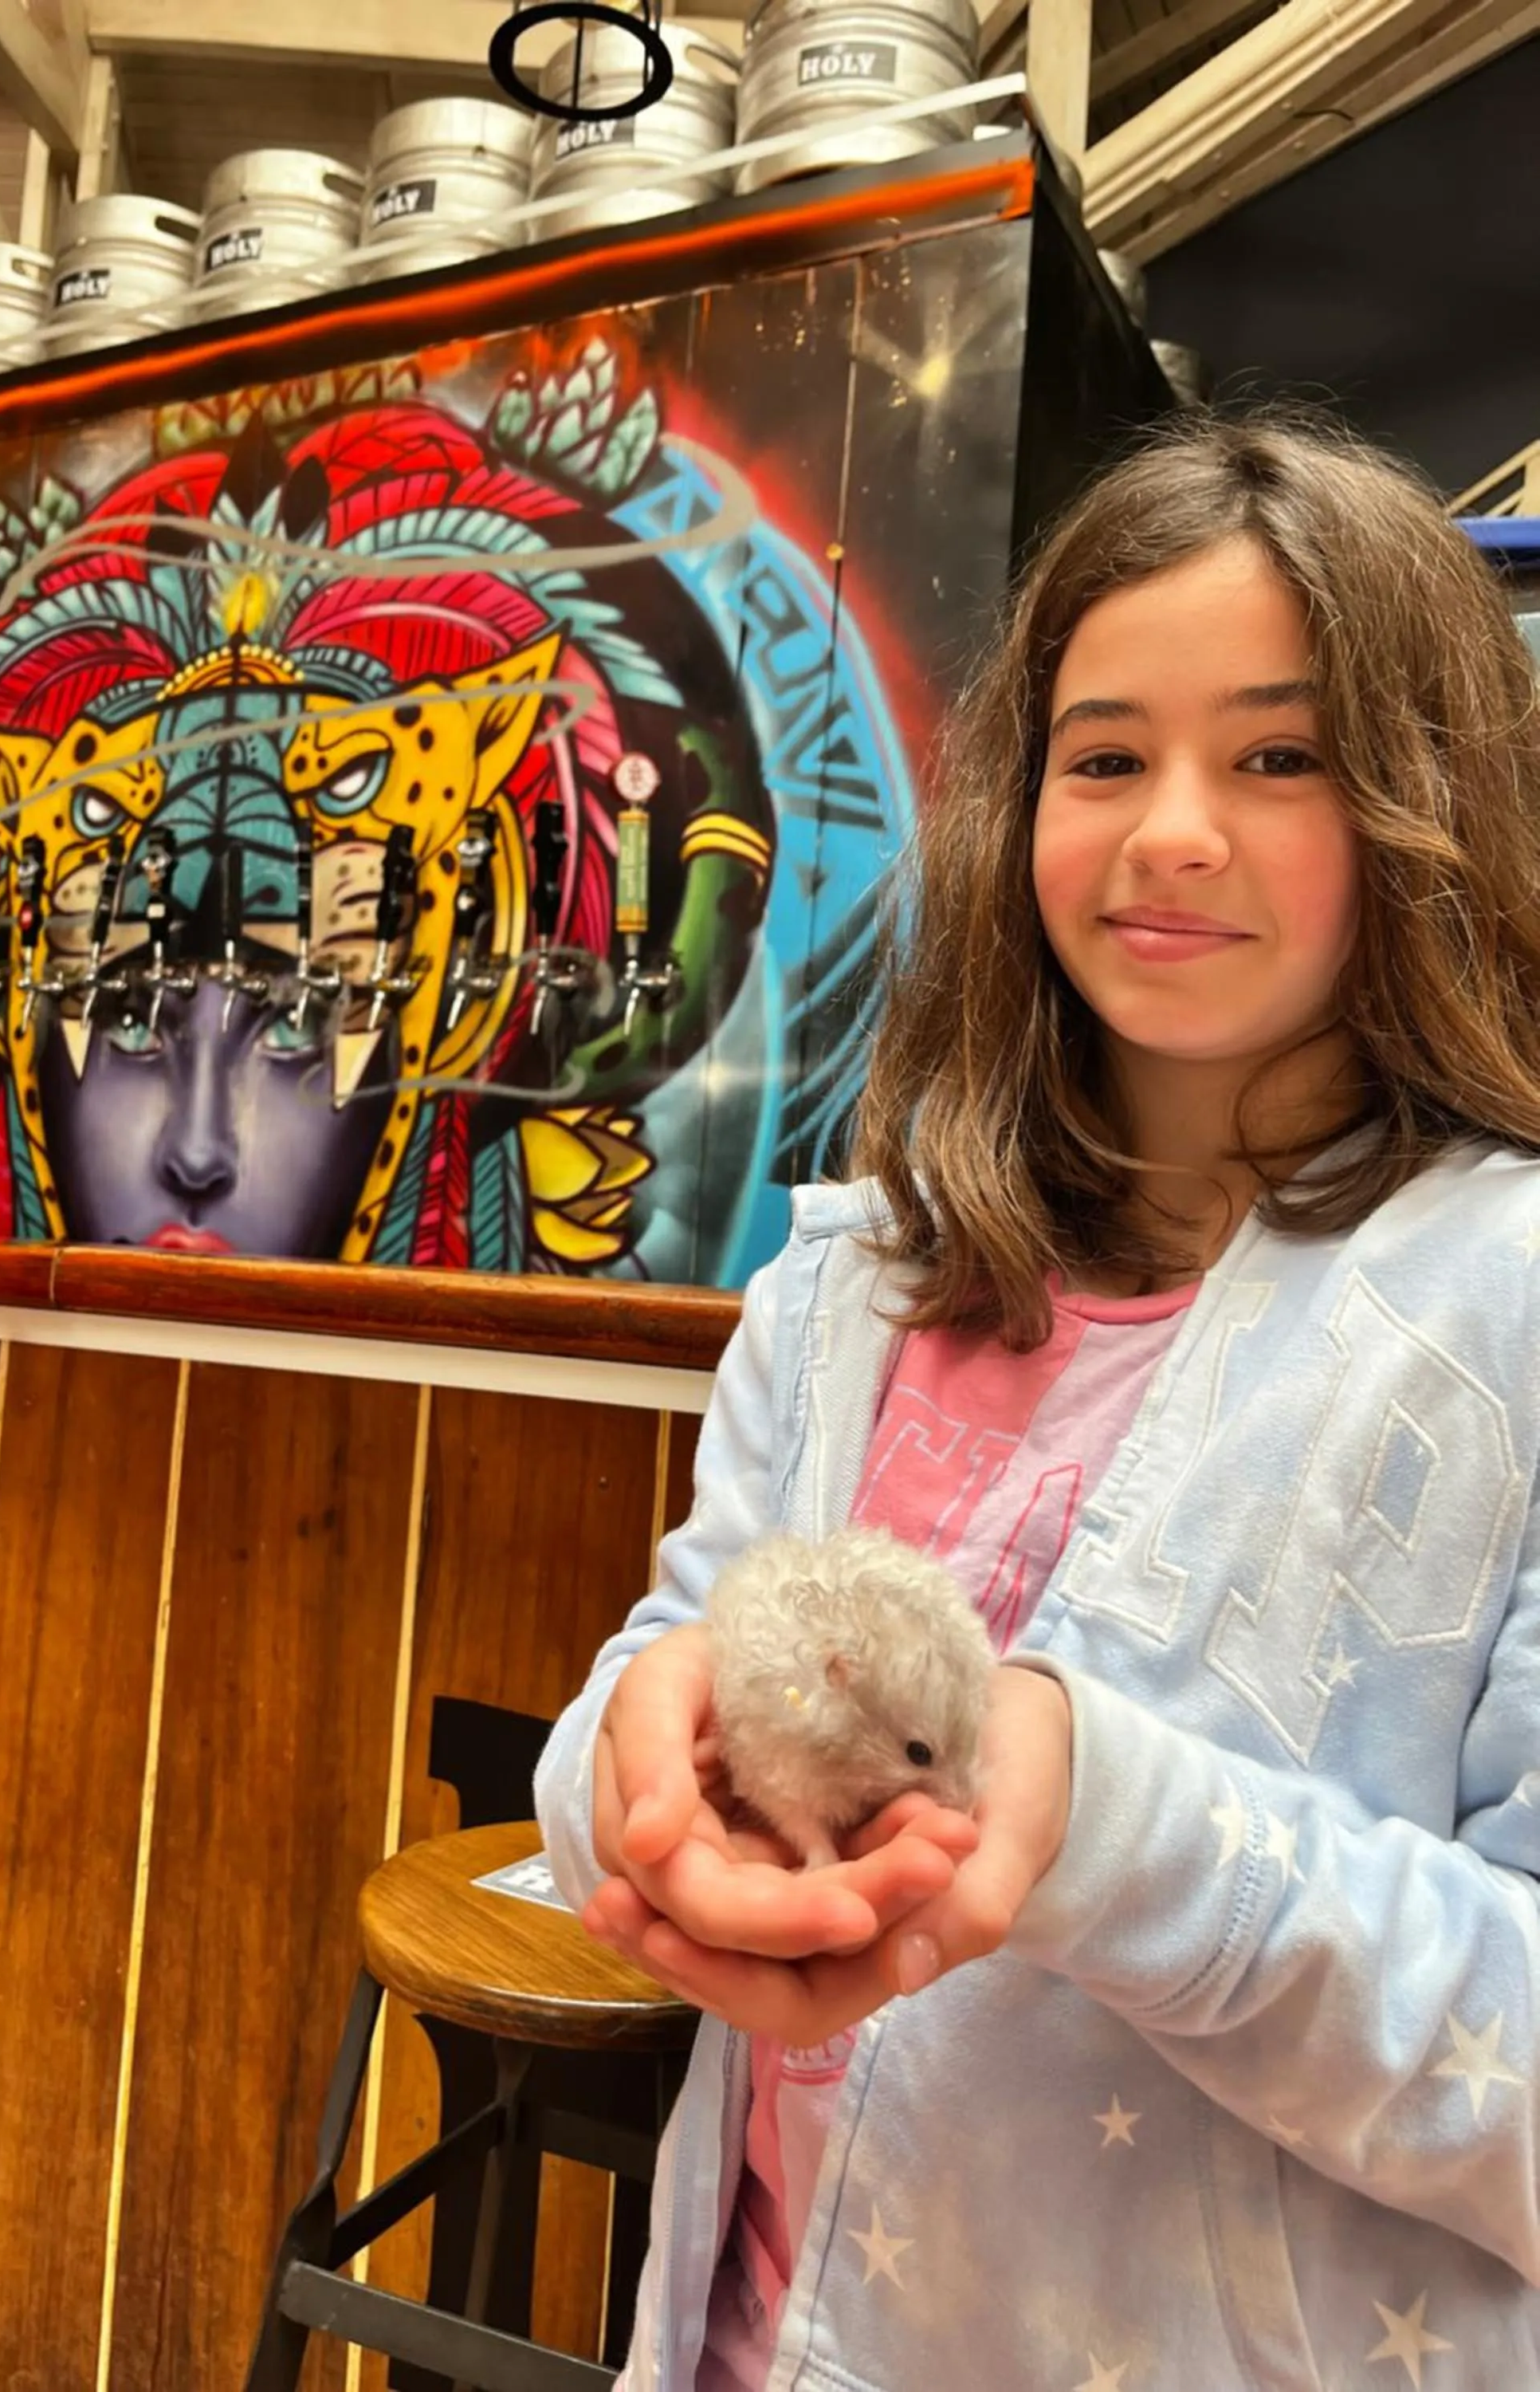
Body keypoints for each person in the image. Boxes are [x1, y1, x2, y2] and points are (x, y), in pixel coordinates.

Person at [534, 407, 1540, 2392]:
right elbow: (657, 1681)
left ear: (1430, 795)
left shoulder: (1509, 1310)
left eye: (1280, 757)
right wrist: (633, 1795)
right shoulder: (854, 1281)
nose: (1174, 831)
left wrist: (1105, 1825)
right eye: (1106, 757)